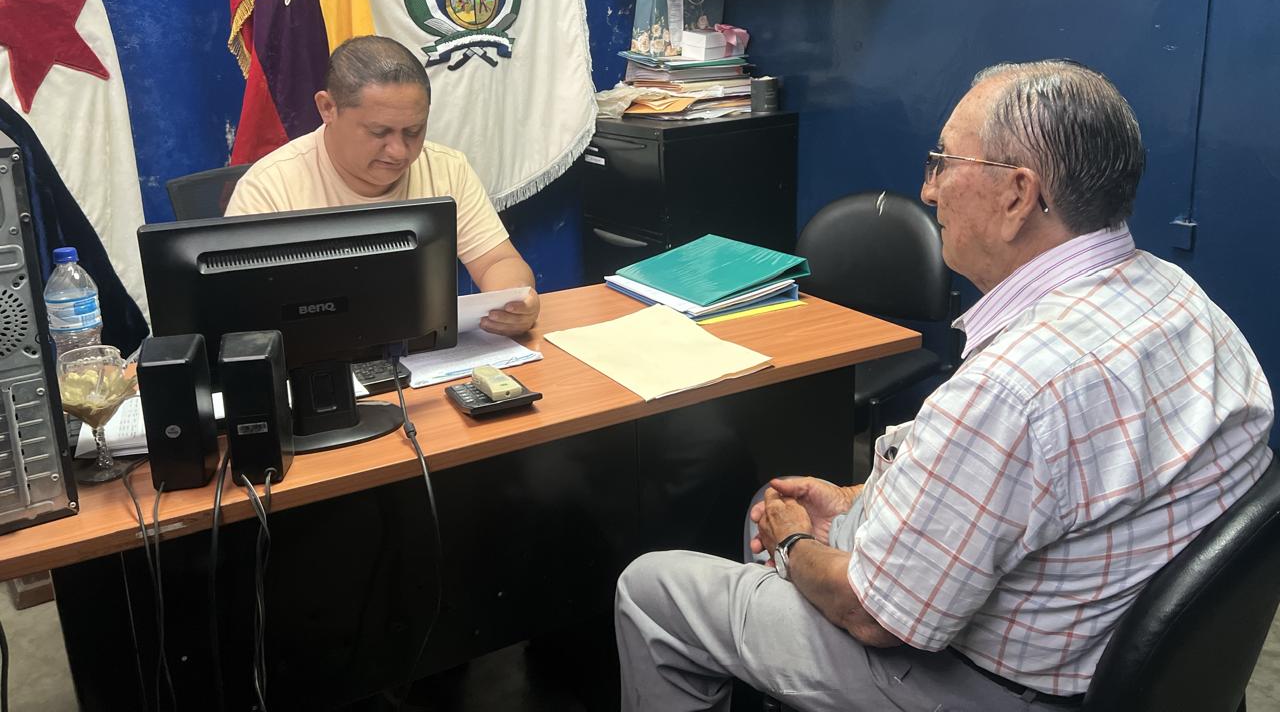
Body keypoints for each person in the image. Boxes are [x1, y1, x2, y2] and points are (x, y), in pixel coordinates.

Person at [614, 59, 1275, 711]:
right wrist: (854, 499)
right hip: (1108, 646)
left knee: (656, 588)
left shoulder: (1014, 386)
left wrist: (793, 543)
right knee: (780, 513)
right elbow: (1039, 488)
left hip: (988, 683)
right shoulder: (1182, 300)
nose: (928, 191)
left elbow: (875, 614)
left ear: (1017, 195)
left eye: (944, 163)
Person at [225, 35, 540, 336]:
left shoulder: (447, 168)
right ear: (327, 108)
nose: (399, 152)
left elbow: (498, 261)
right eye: (379, 132)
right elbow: (243, 312)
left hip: (422, 353)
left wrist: (513, 303)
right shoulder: (269, 188)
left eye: (414, 131)